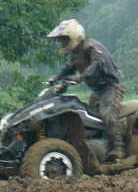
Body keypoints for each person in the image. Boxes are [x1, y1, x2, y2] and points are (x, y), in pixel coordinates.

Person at [47, 19, 126, 162]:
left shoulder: (91, 48)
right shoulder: (76, 52)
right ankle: (102, 148)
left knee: (107, 115)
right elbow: (70, 67)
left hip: (111, 86)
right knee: (91, 119)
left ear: (74, 36)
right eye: (62, 40)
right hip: (97, 91)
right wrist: (57, 76)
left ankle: (119, 149)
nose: (63, 43)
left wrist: (81, 77)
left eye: (65, 39)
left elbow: (96, 64)